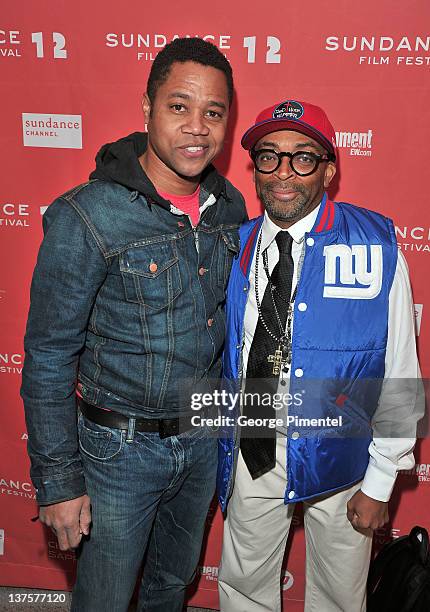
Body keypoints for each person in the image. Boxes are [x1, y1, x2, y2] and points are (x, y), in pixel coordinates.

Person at [21, 37, 247, 612]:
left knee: (171, 590)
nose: (197, 128)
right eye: (179, 106)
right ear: (146, 109)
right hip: (116, 453)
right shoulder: (87, 215)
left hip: (199, 443)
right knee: (103, 600)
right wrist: (59, 482)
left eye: (213, 112)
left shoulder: (230, 209)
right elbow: (49, 355)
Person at [217, 98, 422, 611]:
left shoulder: (374, 245)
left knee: (337, 598)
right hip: (255, 449)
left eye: (302, 157)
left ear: (328, 170)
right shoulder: (237, 243)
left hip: (343, 456)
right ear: (255, 167)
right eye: (270, 156)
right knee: (242, 590)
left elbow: (399, 370)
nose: (284, 172)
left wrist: (380, 481)